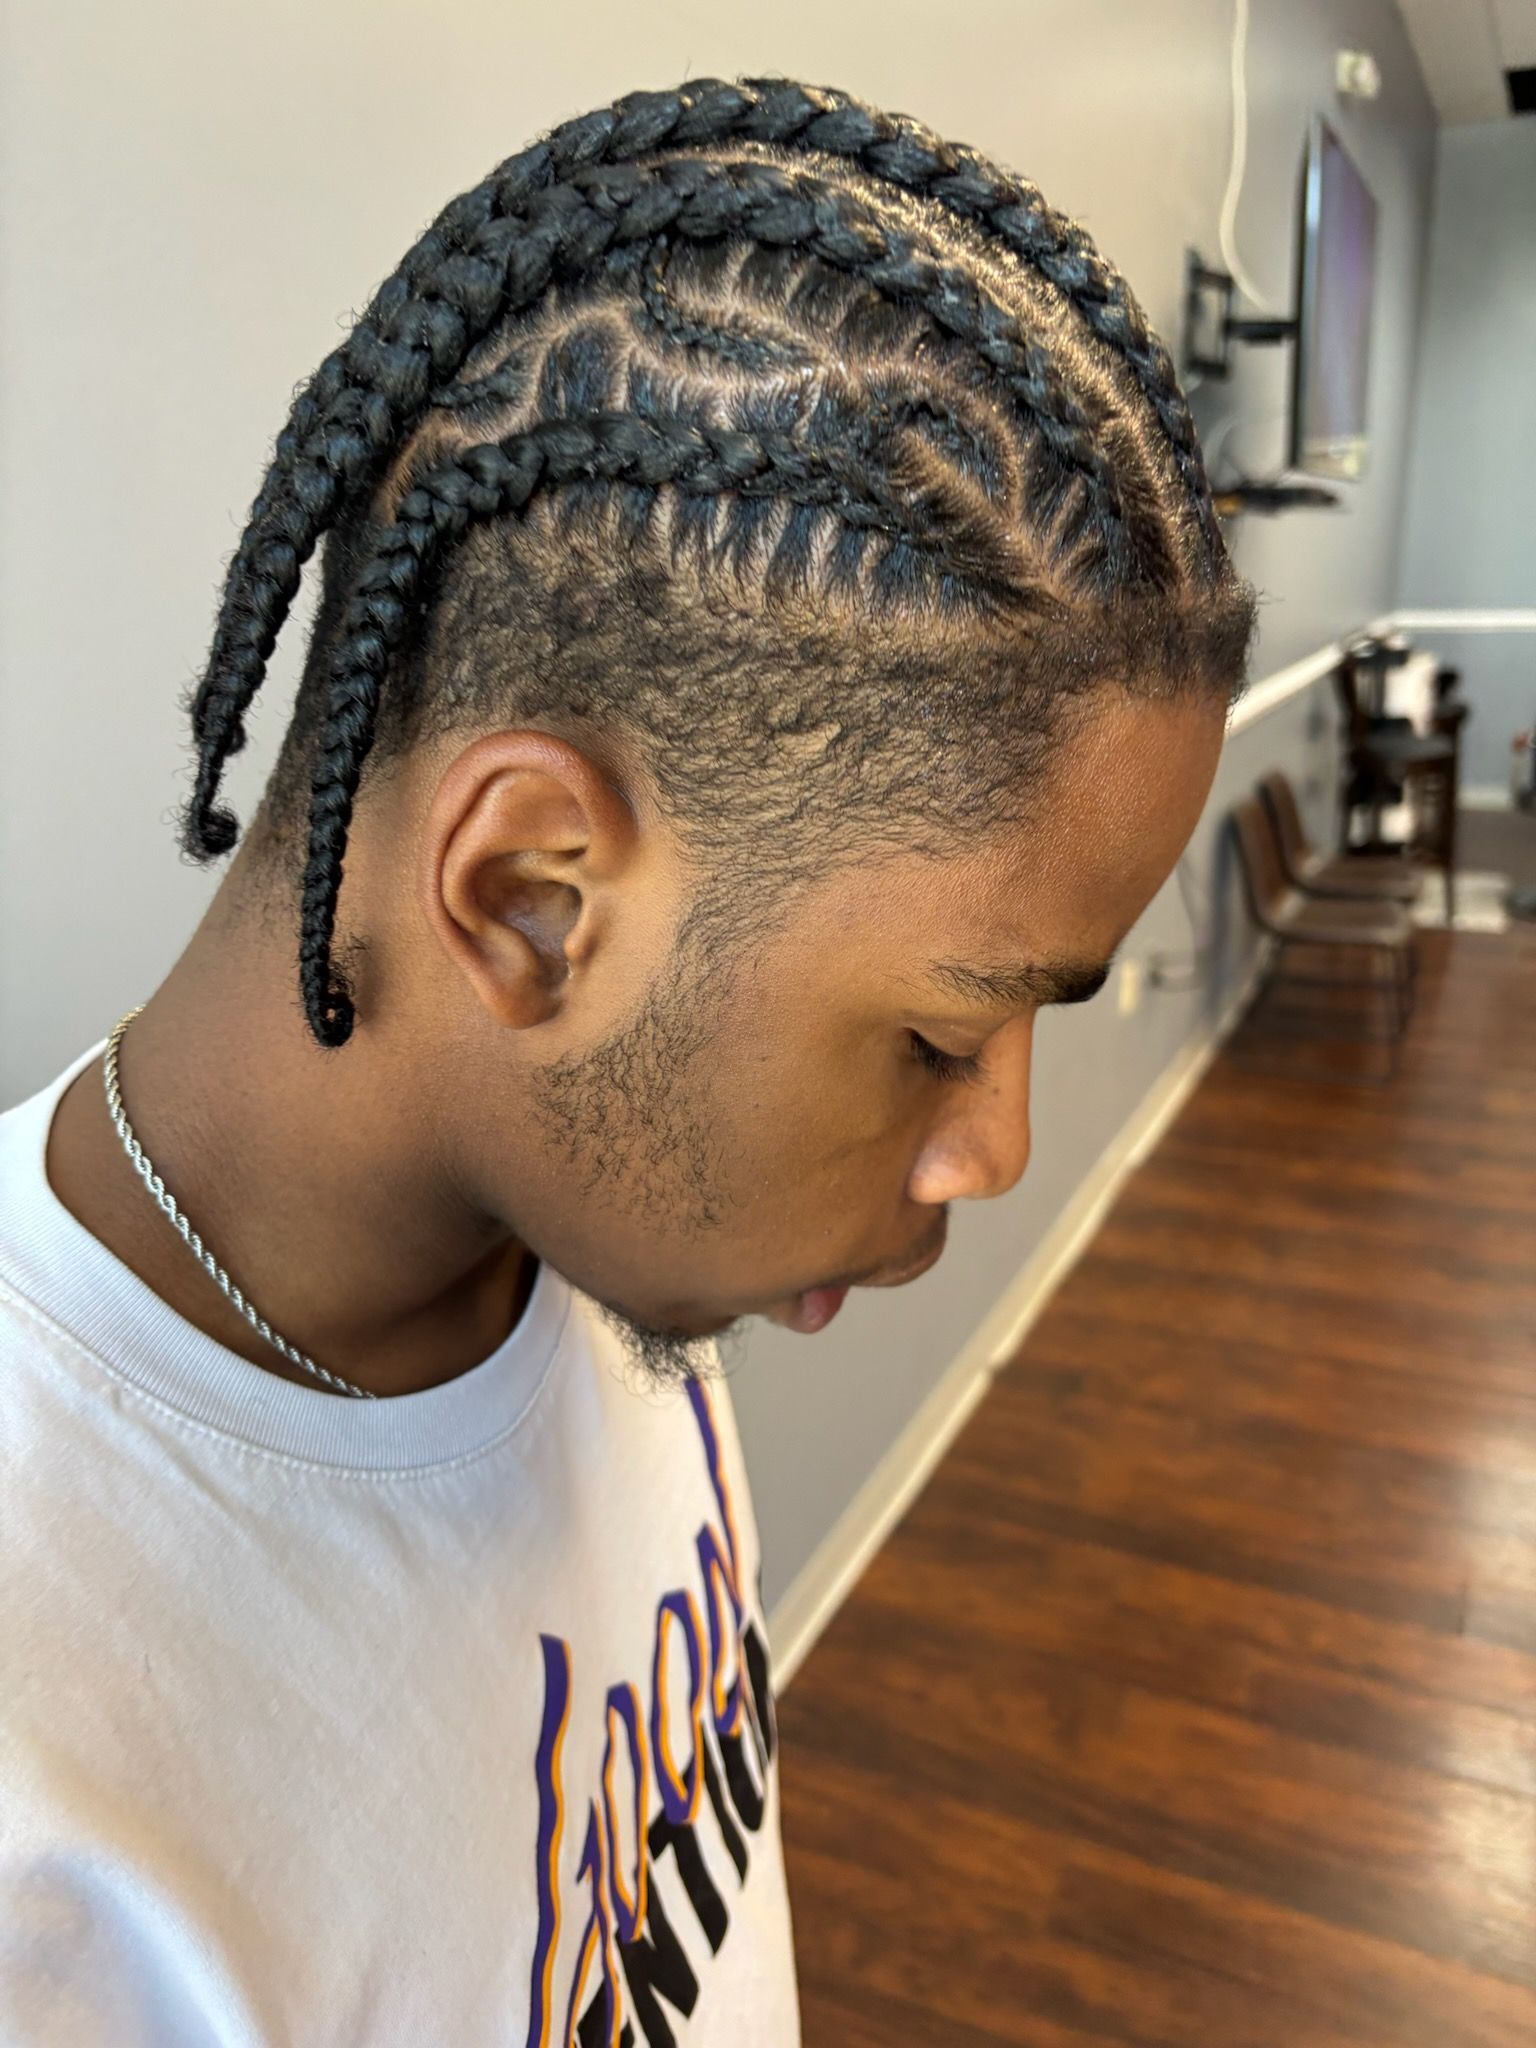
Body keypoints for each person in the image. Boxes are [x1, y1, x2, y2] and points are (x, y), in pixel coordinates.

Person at [0, 73, 1255, 2047]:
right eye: (942, 1033)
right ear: (528, 899)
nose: (992, 1149)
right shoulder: (39, 1806)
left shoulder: (584, 1243)